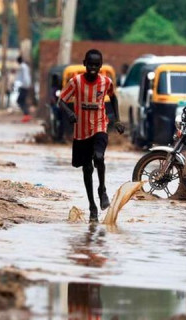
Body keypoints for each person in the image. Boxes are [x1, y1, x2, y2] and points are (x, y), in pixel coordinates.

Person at [58, 49, 125, 222]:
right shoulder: (76, 82)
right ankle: (92, 206)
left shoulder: (105, 82)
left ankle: (102, 189)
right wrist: (69, 113)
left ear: (100, 66)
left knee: (99, 156)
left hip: (100, 125)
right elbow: (61, 101)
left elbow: (114, 98)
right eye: (90, 64)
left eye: (96, 65)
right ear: (84, 63)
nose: (93, 68)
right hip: (81, 131)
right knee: (86, 168)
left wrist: (117, 120)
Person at [16, 55, 32, 123]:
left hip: (24, 86)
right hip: (25, 85)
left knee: (20, 100)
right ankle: (26, 115)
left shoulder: (23, 67)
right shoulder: (25, 66)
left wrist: (24, 85)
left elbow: (25, 77)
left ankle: (26, 115)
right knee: (22, 100)